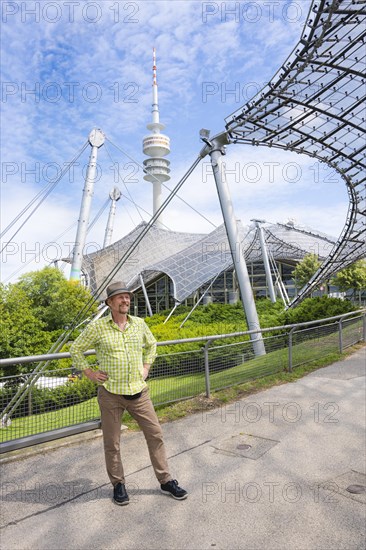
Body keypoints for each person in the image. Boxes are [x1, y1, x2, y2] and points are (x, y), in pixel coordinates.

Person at [70, 281, 188, 505]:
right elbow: (75, 348)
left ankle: (166, 481)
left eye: (128, 297)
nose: (125, 300)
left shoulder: (140, 324)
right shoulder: (98, 327)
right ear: (110, 302)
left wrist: (146, 367)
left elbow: (152, 344)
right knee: (112, 442)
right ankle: (118, 485)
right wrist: (89, 373)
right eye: (120, 297)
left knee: (155, 435)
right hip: (110, 394)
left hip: (139, 393)